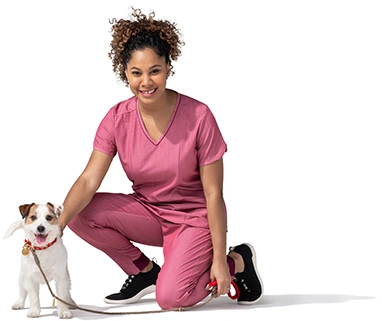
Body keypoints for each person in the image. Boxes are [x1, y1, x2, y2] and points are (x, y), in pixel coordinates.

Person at [58, 7, 263, 310]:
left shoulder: (198, 116)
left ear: (168, 67)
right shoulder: (117, 118)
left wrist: (220, 260)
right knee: (76, 213)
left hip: (194, 221)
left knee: (172, 298)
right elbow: (88, 180)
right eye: (136, 73)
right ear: (124, 72)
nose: (146, 82)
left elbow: (213, 193)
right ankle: (143, 271)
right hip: (149, 214)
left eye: (155, 70)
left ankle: (239, 261)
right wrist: (54, 229)